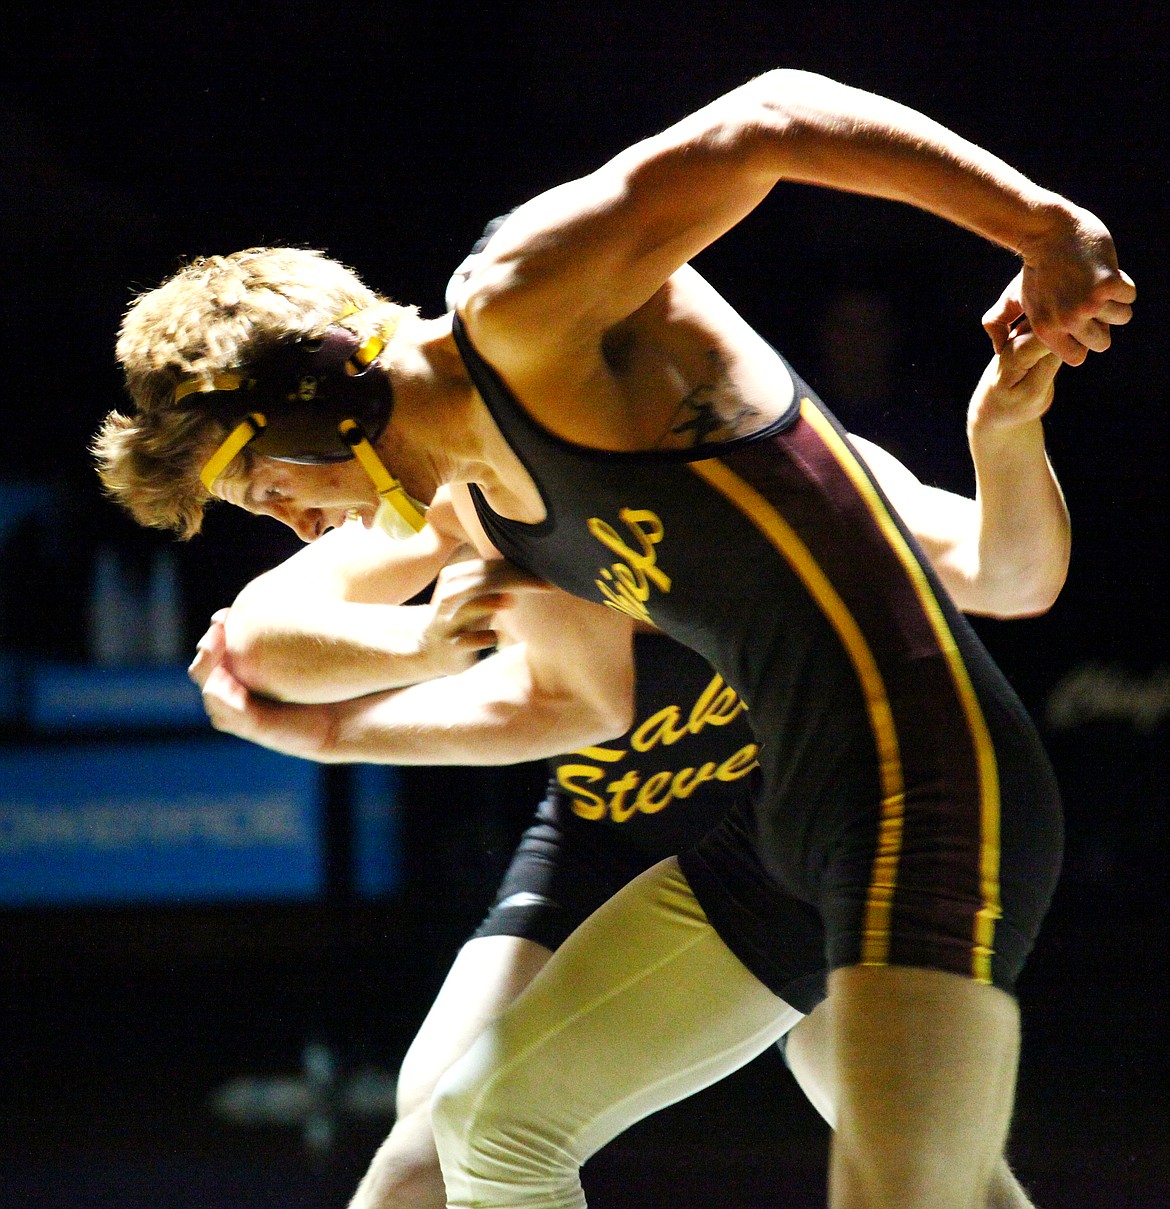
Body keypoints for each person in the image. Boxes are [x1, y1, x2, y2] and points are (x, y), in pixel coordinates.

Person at [95, 69, 1133, 1209]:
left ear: (313, 408)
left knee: (904, 1189)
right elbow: (267, 635)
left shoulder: (524, 312)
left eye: (268, 490)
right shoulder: (483, 501)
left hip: (922, 781)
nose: (295, 524)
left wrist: (1041, 226)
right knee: (489, 1132)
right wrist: (414, 657)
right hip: (779, 828)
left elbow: (768, 116)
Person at [187, 317, 1065, 1209]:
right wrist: (418, 643)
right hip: (609, 831)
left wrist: (1001, 433)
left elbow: (1007, 570)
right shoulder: (475, 485)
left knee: (922, 1158)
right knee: (433, 1148)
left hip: (771, 829)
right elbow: (253, 638)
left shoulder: (751, 461)